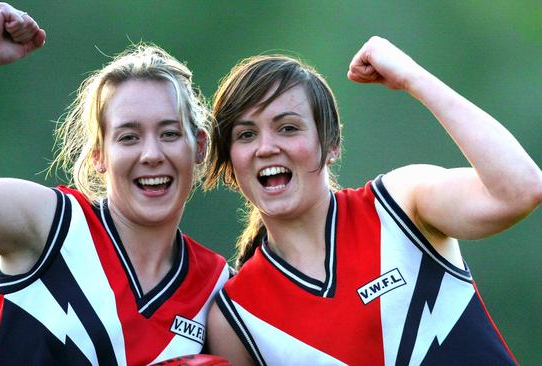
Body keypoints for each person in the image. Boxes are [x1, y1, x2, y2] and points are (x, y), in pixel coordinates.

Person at [0, 3, 229, 365]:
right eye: (129, 137)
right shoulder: (51, 224)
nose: (151, 154)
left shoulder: (218, 287)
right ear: (99, 155)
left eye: (169, 133)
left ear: (200, 147)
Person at [203, 36, 541, 365]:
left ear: (332, 144)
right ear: (231, 162)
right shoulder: (234, 315)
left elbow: (521, 189)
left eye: (288, 128)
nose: (266, 148)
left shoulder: (399, 203)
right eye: (246, 135)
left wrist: (413, 78)